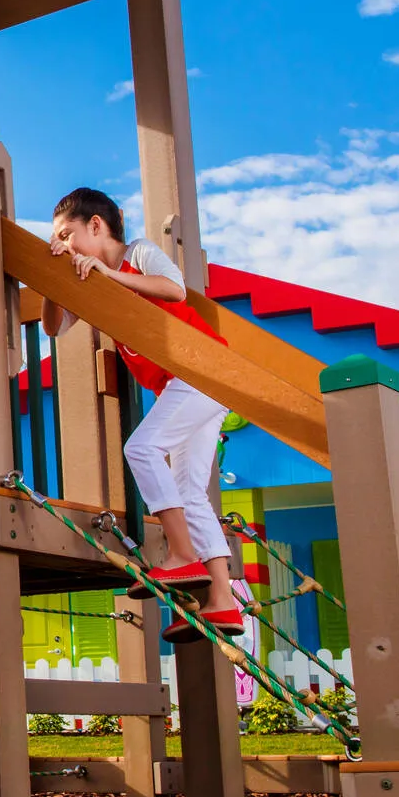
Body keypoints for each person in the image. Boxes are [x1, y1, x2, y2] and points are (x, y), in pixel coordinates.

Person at [41, 186, 242, 642]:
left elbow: (173, 290)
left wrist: (111, 276)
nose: (65, 245)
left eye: (67, 235)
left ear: (96, 225)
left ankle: (181, 554)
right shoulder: (83, 279)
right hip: (185, 384)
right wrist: (55, 275)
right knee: (191, 489)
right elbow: (53, 327)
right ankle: (223, 602)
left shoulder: (138, 253)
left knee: (143, 447)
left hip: (202, 369)